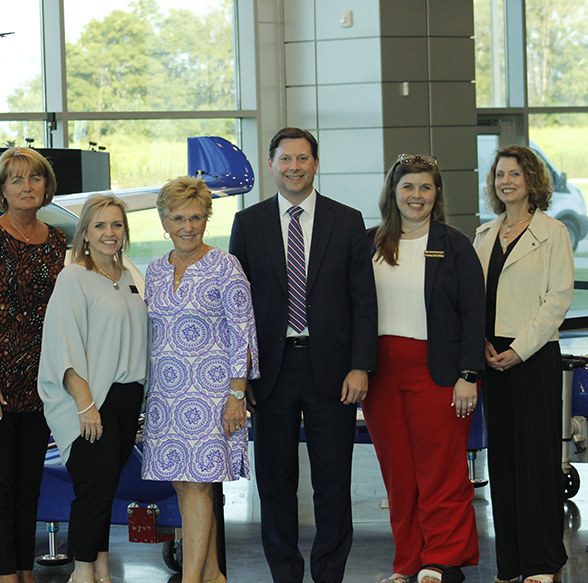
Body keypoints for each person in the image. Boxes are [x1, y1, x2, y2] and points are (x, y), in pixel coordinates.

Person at [229, 127, 377, 583]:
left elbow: (363, 300)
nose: (294, 167)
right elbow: (238, 307)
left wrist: (360, 365)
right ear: (271, 165)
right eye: (285, 159)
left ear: (316, 164)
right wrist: (243, 375)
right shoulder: (248, 223)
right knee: (274, 484)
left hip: (332, 371)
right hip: (269, 373)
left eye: (303, 158)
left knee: (333, 482)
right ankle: (285, 574)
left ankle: (329, 573)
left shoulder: (347, 220)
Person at [363, 155, 483, 583]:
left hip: (438, 371)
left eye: (425, 188)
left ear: (437, 194)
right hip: (381, 374)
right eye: (408, 187)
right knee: (399, 476)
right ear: (393, 192)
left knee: (441, 471)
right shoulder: (368, 243)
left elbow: (473, 314)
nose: (417, 196)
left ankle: (442, 558)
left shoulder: (454, 244)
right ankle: (408, 563)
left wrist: (469, 375)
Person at [141, 176, 259, 583]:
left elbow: (243, 332)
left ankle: (192, 580)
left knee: (197, 487)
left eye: (195, 218)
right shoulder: (154, 271)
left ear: (207, 219)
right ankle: (211, 574)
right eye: (178, 218)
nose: (187, 227)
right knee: (184, 486)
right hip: (166, 396)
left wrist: (236, 395)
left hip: (211, 396)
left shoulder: (225, 266)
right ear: (164, 222)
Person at [0, 147, 67, 583]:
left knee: (29, 484)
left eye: (35, 179)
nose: (27, 187)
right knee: (1, 484)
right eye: (17, 180)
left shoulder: (59, 241)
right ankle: (6, 573)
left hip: (41, 383)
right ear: (2, 190)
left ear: (46, 187)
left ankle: (25, 567)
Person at [474, 145, 573, 583]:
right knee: (505, 464)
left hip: (532, 357)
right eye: (500, 175)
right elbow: (472, 299)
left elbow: (557, 301)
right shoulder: (483, 234)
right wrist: (482, 343)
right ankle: (510, 563)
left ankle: (542, 563)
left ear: (532, 180)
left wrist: (520, 349)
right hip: (491, 357)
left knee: (535, 463)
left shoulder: (553, 233)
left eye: (515, 173)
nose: (506, 181)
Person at [38, 193, 148, 583]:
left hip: (125, 397)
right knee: (93, 491)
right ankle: (82, 572)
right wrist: (86, 405)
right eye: (100, 225)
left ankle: (100, 569)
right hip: (89, 400)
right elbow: (62, 347)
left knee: (106, 488)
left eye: (116, 225)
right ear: (85, 232)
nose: (109, 233)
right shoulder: (73, 277)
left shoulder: (129, 274)